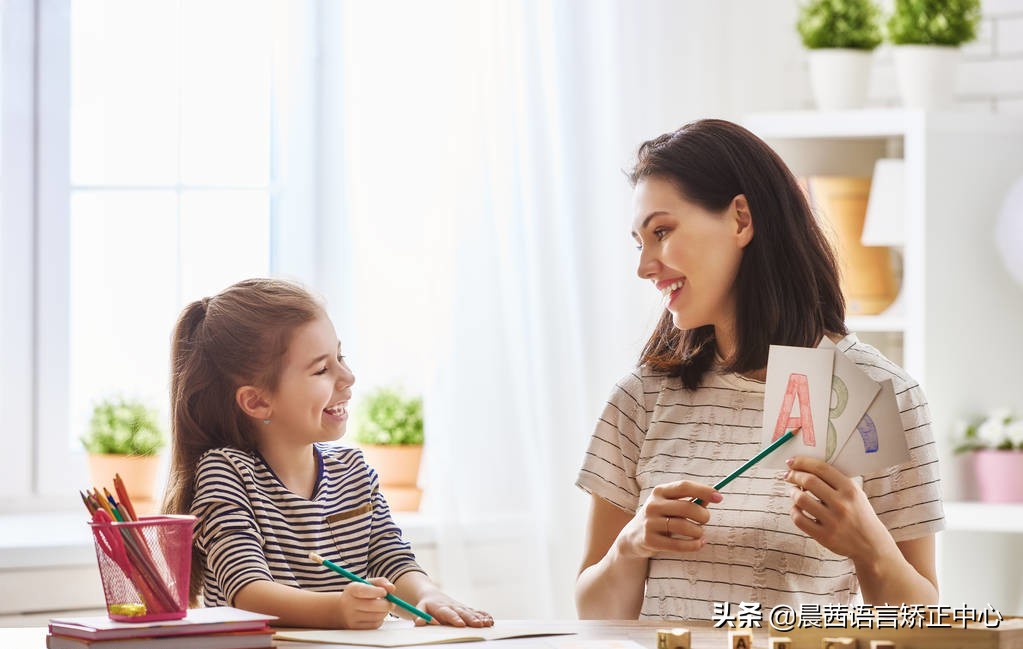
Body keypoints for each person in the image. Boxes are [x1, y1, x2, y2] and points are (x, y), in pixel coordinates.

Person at [574, 119, 944, 621]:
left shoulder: (877, 396)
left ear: (741, 219)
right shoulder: (640, 399)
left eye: (662, 231)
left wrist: (868, 545)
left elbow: (924, 625)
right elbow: (594, 615)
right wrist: (630, 546)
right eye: (640, 242)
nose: (645, 266)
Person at [163, 278, 493, 630]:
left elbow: (391, 559)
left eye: (341, 357)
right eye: (321, 369)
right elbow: (248, 592)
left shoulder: (353, 471)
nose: (348, 377)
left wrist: (427, 596)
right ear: (257, 401)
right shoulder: (225, 472)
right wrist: (337, 610)